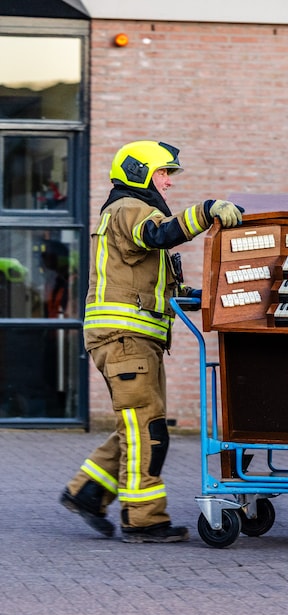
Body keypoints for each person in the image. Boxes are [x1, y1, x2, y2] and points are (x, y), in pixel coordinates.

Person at [59, 140, 245, 543]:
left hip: (135, 339)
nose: (168, 183)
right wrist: (207, 210)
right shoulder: (129, 209)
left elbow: (147, 281)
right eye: (164, 173)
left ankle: (87, 492)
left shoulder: (129, 210)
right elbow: (159, 235)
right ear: (140, 172)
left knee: (138, 422)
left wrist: (199, 297)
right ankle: (143, 519)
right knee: (148, 428)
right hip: (126, 339)